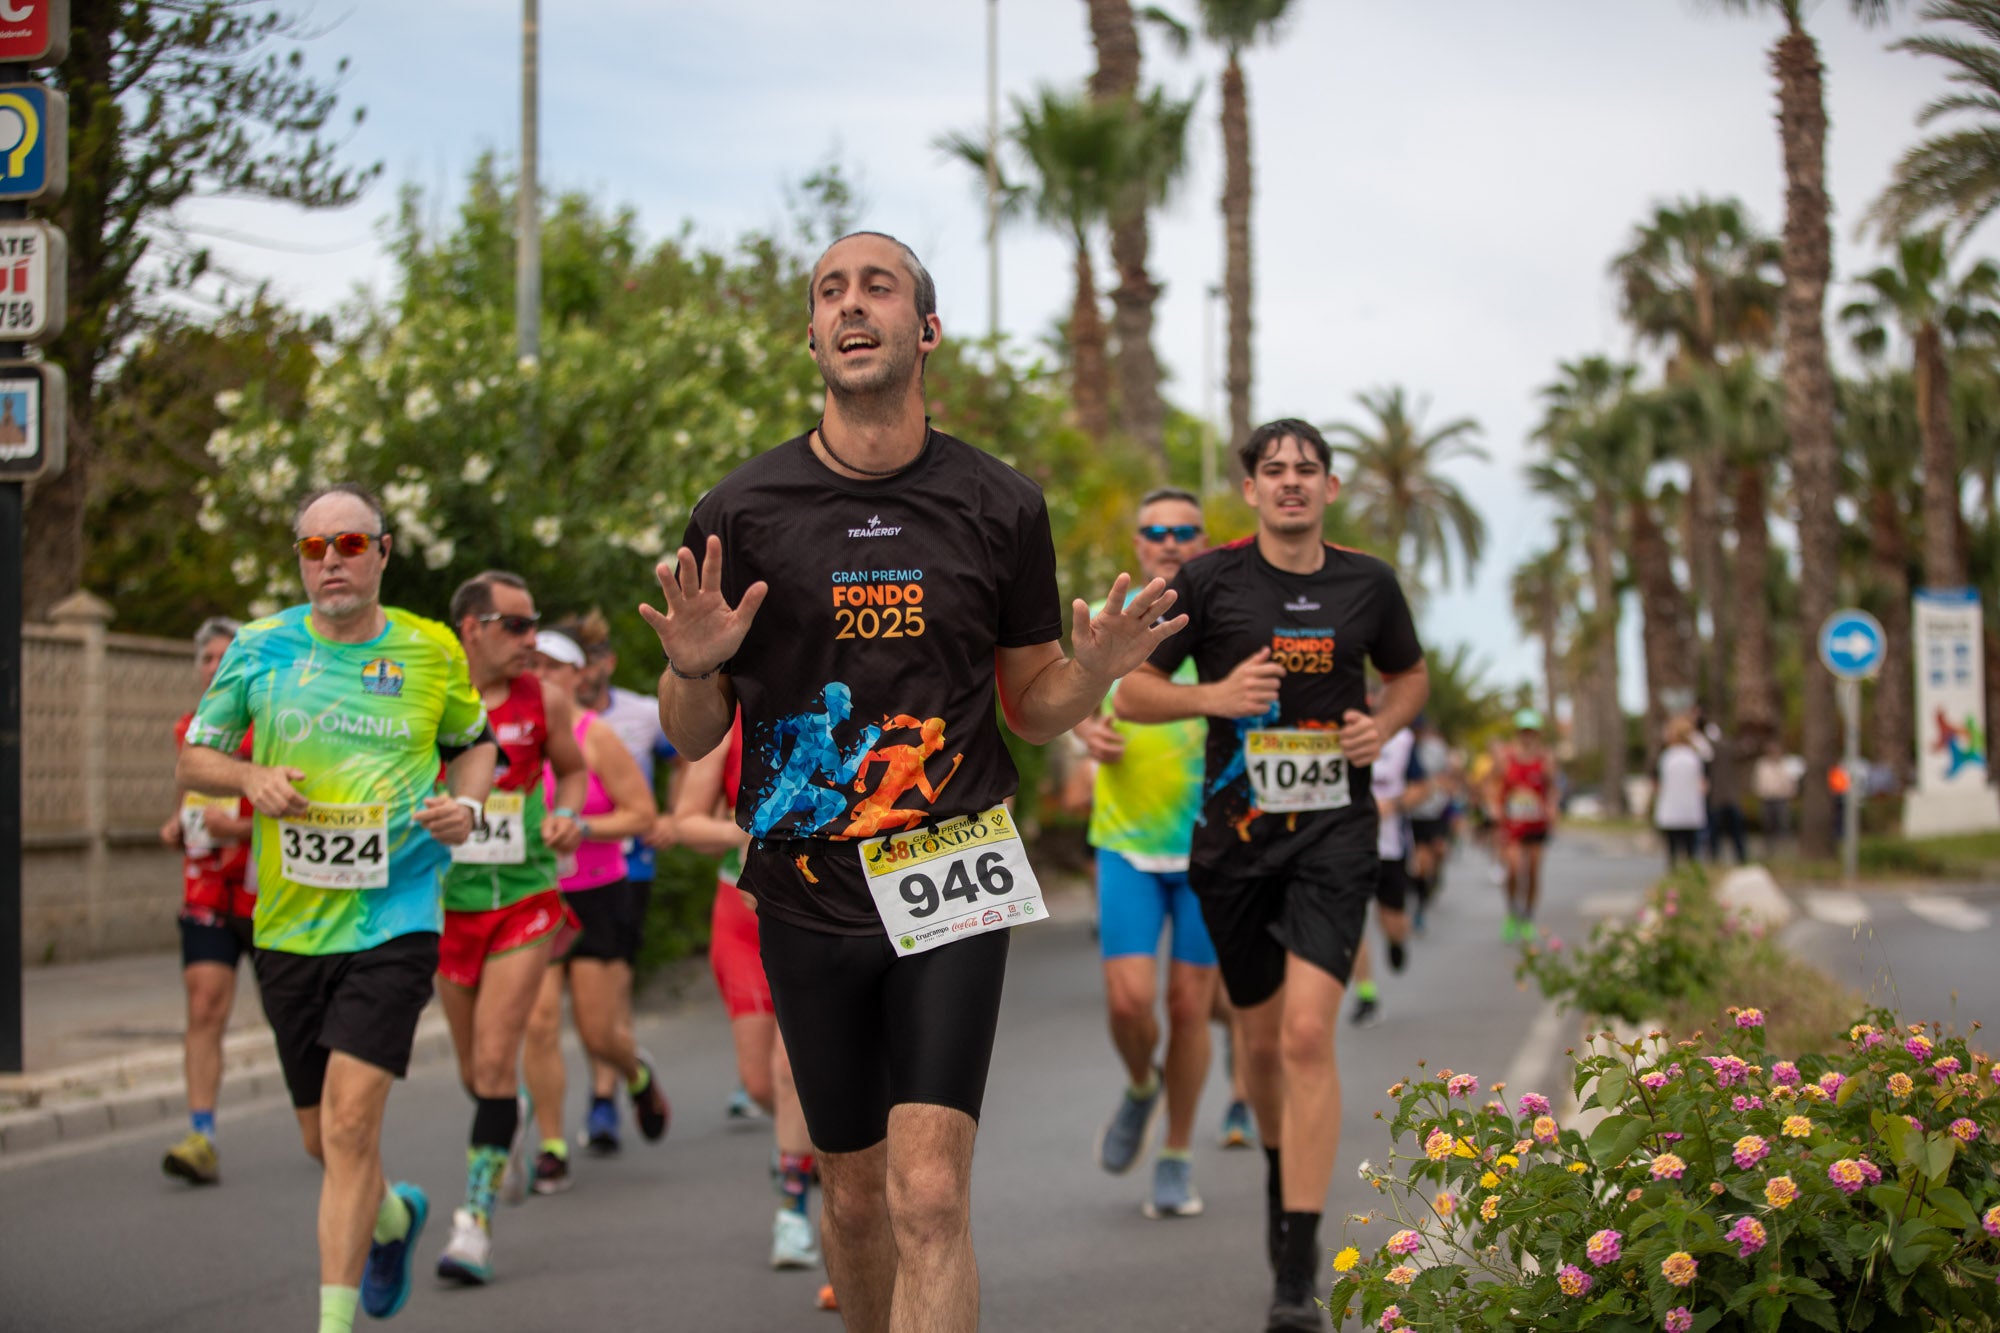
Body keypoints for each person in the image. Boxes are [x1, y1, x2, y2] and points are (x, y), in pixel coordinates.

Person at [641, 230, 1182, 1332]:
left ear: (924, 329)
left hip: (951, 857)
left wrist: (1093, 671)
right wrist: (692, 666)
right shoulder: (741, 511)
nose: (851, 304)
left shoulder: (1001, 504)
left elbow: (1031, 707)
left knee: (928, 1193)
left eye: (877, 286)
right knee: (853, 1197)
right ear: (811, 336)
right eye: (830, 291)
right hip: (803, 879)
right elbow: (693, 736)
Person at [1115, 418, 1428, 1333]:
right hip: (1236, 843)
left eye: (1308, 469)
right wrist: (1212, 696)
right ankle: (1280, 1185)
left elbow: (1409, 676)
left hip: (1335, 836)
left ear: (1331, 487)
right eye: (1275, 469)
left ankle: (1297, 1263)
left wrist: (1384, 724)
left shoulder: (1369, 583)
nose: (1292, 481)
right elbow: (1132, 690)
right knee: (1257, 1048)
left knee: (1303, 1035)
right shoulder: (1209, 580)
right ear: (1250, 489)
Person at [177, 483, 497, 1333]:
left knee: (354, 1124)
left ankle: (331, 1322)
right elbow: (195, 758)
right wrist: (248, 775)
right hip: (287, 923)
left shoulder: (430, 648)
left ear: (383, 552)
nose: (331, 561)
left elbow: (477, 746)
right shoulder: (259, 647)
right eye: (314, 547)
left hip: (397, 915)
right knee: (323, 1140)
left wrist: (466, 806)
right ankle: (392, 1216)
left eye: (350, 544)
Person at [433, 572, 587, 1283]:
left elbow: (573, 771)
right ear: (471, 627)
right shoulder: (430, 692)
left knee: (497, 1060)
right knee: (477, 1074)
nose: (531, 639)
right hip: (447, 906)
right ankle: (509, 1113)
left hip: (526, 897)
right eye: (516, 625)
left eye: (534, 624)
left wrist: (568, 816)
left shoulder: (543, 699)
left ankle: (474, 1222)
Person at [1071, 487, 1220, 1218]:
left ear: (1203, 542)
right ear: (1137, 543)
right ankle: (1140, 1085)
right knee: (1129, 1001)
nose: (1169, 541)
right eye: (1156, 530)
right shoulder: (1110, 620)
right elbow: (1064, 700)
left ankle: (1176, 1154)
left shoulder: (1225, 619)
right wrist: (1085, 733)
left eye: (1184, 531)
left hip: (1208, 845)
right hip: (1127, 840)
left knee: (1189, 1008)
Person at [673, 715, 830, 1276]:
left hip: (816, 911)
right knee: (760, 1082)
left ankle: (792, 1210)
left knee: (792, 1072)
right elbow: (686, 821)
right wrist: (749, 830)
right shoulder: (729, 720)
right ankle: (808, 1152)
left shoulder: (832, 709)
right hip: (741, 920)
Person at [519, 629, 669, 1183]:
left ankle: (636, 1076)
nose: (540, 676)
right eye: (532, 665)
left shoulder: (595, 735)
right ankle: (552, 1145)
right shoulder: (509, 736)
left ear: (576, 675)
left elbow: (642, 815)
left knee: (598, 1031)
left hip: (598, 891)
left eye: (552, 667)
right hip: (535, 893)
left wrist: (580, 827)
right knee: (538, 1022)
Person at [564, 613, 689, 1121]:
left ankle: (604, 1099)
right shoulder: (548, 721)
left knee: (609, 999)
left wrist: (673, 816)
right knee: (565, 1006)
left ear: (607, 663)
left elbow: (683, 759)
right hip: (558, 871)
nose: (583, 672)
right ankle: (610, 1089)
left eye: (590, 661)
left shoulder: (640, 713)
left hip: (626, 870)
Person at [160, 616, 256, 1185]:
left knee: (294, 1018)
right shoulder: (189, 730)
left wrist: (238, 829)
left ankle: (331, 1121)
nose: (215, 667)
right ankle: (202, 1134)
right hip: (205, 890)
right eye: (206, 658)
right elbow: (187, 799)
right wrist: (177, 825)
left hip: (266, 891)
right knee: (203, 1006)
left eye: (226, 657)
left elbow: (306, 813)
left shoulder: (273, 726)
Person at [1346, 712, 1426, 1027]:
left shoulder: (1403, 740)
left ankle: (1396, 941)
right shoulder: (1336, 731)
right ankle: (1366, 995)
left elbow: (1423, 787)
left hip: (1391, 847)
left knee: (1392, 922)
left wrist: (1391, 805)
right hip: (1349, 847)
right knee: (1352, 921)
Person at [1489, 709, 1558, 942]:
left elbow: (1552, 788)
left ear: (1537, 734)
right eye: (1523, 731)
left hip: (1536, 824)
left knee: (1533, 872)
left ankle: (1528, 917)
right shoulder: (1505, 757)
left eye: (1531, 731)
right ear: (1518, 733)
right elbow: (1491, 784)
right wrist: (1495, 806)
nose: (1527, 736)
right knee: (1514, 869)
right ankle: (1511, 911)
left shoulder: (1545, 759)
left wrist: (1552, 806)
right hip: (1512, 825)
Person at [1404, 717, 1453, 929]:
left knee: (1438, 853)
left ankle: (1433, 880)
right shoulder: (1401, 746)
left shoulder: (1436, 749)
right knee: (1421, 864)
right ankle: (1420, 906)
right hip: (1412, 814)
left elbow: (1447, 777)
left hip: (1436, 811)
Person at [1655, 716, 1707, 869]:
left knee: (1673, 853)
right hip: (1689, 809)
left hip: (1672, 809)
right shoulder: (1694, 757)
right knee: (1691, 852)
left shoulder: (1668, 757)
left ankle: (1676, 877)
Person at [1752, 735, 1797, 856]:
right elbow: (1758, 781)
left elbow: (1790, 782)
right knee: (1768, 825)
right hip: (1767, 798)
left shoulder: (1785, 764)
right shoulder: (1762, 764)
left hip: (1781, 798)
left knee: (1783, 824)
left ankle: (1783, 850)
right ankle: (1768, 850)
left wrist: (1790, 793)